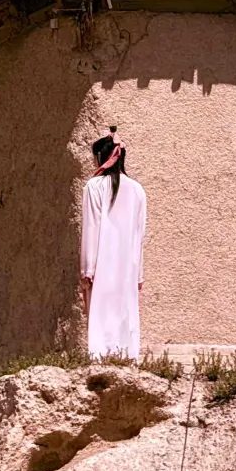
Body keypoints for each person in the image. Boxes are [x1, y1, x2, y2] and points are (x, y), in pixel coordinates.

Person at [80, 126, 147, 359]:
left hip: (101, 263)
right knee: (124, 316)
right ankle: (126, 359)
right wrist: (138, 274)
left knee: (101, 317)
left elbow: (91, 227)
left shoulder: (94, 187)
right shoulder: (138, 190)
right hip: (128, 266)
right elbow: (139, 236)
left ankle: (100, 361)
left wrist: (87, 269)